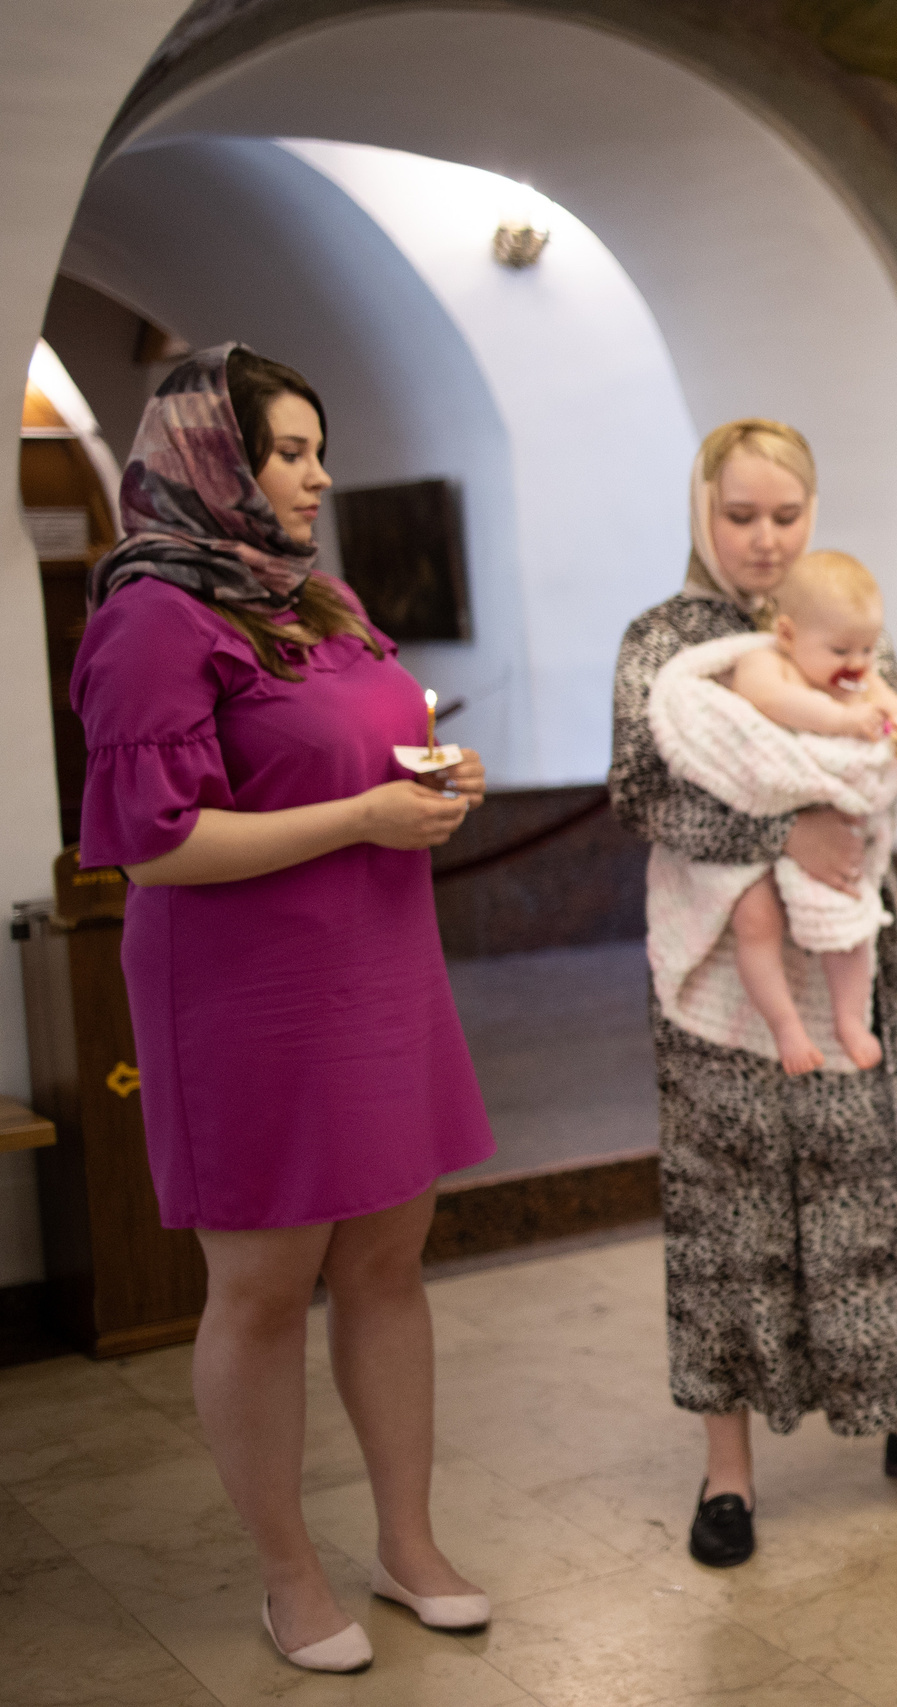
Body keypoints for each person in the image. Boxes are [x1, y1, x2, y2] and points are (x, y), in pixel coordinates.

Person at [68, 345, 495, 1674]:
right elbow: (157, 845)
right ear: (216, 461)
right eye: (291, 453)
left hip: (377, 966)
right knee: (261, 1286)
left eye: (319, 451)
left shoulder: (318, 598)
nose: (319, 477)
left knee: (388, 1258)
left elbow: (360, 744)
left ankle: (408, 1543)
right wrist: (363, 815)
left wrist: (433, 773)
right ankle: (288, 1574)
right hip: (244, 991)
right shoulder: (150, 618)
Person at [610, 419, 897, 1573]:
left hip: (851, 942)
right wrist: (783, 824)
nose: (763, 538)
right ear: (702, 509)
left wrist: (869, 766)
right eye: (739, 514)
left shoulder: (840, 612)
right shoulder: (665, 639)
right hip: (726, 962)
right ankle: (728, 1472)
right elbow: (642, 789)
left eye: (784, 515)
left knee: (882, 1190)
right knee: (729, 1213)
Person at [647, 549, 897, 1073]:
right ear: (788, 634)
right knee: (756, 919)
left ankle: (849, 1018)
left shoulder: (858, 678)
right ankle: (785, 1025)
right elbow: (768, 701)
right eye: (841, 649)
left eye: (868, 648)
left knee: (849, 925)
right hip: (755, 822)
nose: (858, 663)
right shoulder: (765, 661)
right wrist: (842, 722)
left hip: (833, 829)